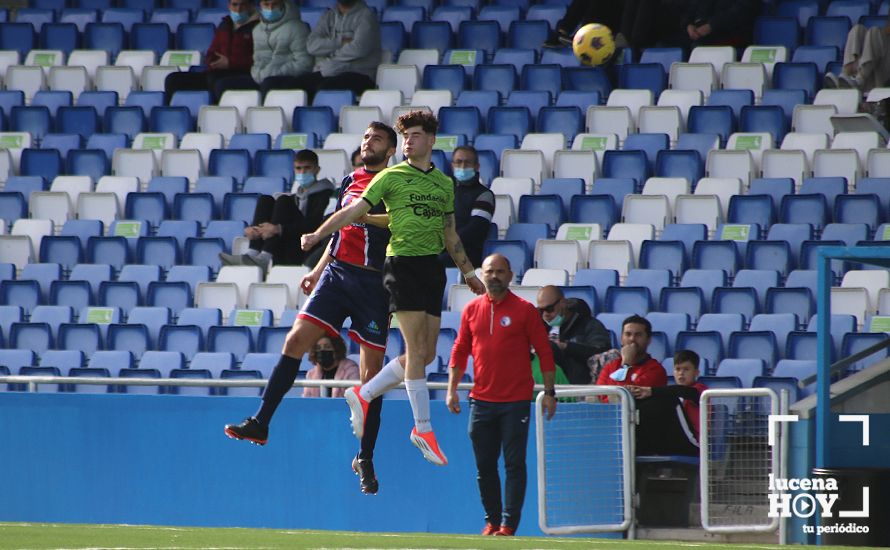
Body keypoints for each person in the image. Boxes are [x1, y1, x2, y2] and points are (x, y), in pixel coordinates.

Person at [301, 110, 486, 467]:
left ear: (431, 141)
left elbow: (449, 233)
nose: (409, 142)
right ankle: (423, 428)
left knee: (428, 354)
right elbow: (352, 211)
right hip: (400, 265)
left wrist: (469, 272)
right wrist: (318, 235)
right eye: (405, 137)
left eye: (415, 135)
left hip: (434, 269)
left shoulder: (443, 184)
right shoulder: (390, 177)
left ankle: (365, 391)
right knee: (416, 349)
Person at [224, 121, 398, 496]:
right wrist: (318, 271)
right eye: (366, 136)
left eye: (377, 138)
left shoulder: (396, 182)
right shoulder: (350, 180)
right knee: (294, 340)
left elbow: (396, 223)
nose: (369, 142)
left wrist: (364, 216)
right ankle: (262, 421)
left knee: (371, 378)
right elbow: (339, 231)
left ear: (390, 150)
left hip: (373, 284)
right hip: (337, 275)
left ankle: (365, 456)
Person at [446, 253, 557, 537]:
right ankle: (492, 521)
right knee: (484, 466)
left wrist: (549, 392)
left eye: (499, 271)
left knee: (514, 465)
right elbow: (459, 350)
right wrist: (451, 390)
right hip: (481, 401)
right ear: (482, 275)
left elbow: (545, 352)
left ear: (510, 275)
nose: (493, 276)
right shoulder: (471, 310)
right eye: (489, 271)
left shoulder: (525, 310)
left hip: (515, 402)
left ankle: (508, 524)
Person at [219, 149, 334, 272]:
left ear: (317, 169)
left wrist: (279, 229)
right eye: (298, 168)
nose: (302, 172)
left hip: (307, 247)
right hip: (287, 245)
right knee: (266, 200)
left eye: (307, 168)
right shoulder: (296, 196)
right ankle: (253, 251)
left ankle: (265, 256)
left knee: (283, 200)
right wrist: (257, 229)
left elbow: (315, 225)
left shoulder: (326, 194)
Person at [163, 0, 259, 103]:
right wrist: (212, 61)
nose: (238, 9)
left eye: (243, 5)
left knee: (216, 80)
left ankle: (214, 114)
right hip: (217, 72)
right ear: (229, 5)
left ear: (250, 6)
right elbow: (212, 51)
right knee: (173, 79)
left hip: (244, 74)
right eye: (235, 5)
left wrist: (230, 63)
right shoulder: (225, 25)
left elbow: (260, 60)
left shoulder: (259, 27)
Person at [217, 0, 313, 97]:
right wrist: (257, 74)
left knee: (269, 84)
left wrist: (275, 72)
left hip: (288, 78)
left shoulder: (298, 28)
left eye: (274, 4)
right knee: (223, 85)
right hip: (262, 78)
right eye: (266, 4)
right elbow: (257, 61)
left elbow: (305, 64)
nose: (270, 8)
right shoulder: (257, 30)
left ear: (282, 4)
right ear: (261, 6)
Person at [627, 349, 708, 456]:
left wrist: (651, 391)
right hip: (671, 440)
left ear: (696, 373)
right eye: (677, 369)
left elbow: (682, 391)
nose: (681, 373)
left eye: (686, 369)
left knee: (668, 399)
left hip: (694, 444)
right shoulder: (672, 391)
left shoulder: (701, 390)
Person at [295, 0, 381, 100]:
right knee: (297, 86)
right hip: (330, 71)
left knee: (325, 89)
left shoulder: (366, 16)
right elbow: (311, 45)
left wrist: (329, 56)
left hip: (360, 73)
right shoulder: (329, 15)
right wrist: (340, 42)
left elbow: (358, 48)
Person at [536, 286, 612, 385]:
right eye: (541, 311)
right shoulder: (540, 327)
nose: (545, 315)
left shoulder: (589, 325)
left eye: (549, 309)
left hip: (580, 386)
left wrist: (567, 347)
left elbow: (603, 353)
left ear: (563, 303)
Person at [439, 146, 494, 269]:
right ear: (452, 166)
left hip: (466, 255)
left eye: (468, 162)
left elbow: (476, 228)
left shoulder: (484, 195)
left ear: (477, 166)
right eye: (458, 162)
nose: (463, 166)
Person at [596, 314, 668, 391]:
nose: (632, 339)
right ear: (621, 339)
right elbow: (600, 396)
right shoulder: (610, 367)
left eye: (638, 335)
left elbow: (627, 397)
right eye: (628, 334)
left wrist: (626, 365)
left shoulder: (656, 370)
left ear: (648, 340)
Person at [825, 15, 890, 93]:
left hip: (883, 80)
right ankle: (845, 77)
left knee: (875, 32)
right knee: (858, 30)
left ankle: (859, 80)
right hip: (871, 76)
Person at [683, 0, 759, 48]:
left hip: (732, 34)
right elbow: (692, 9)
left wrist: (712, 26)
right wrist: (688, 24)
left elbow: (742, 11)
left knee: (699, 46)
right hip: (701, 35)